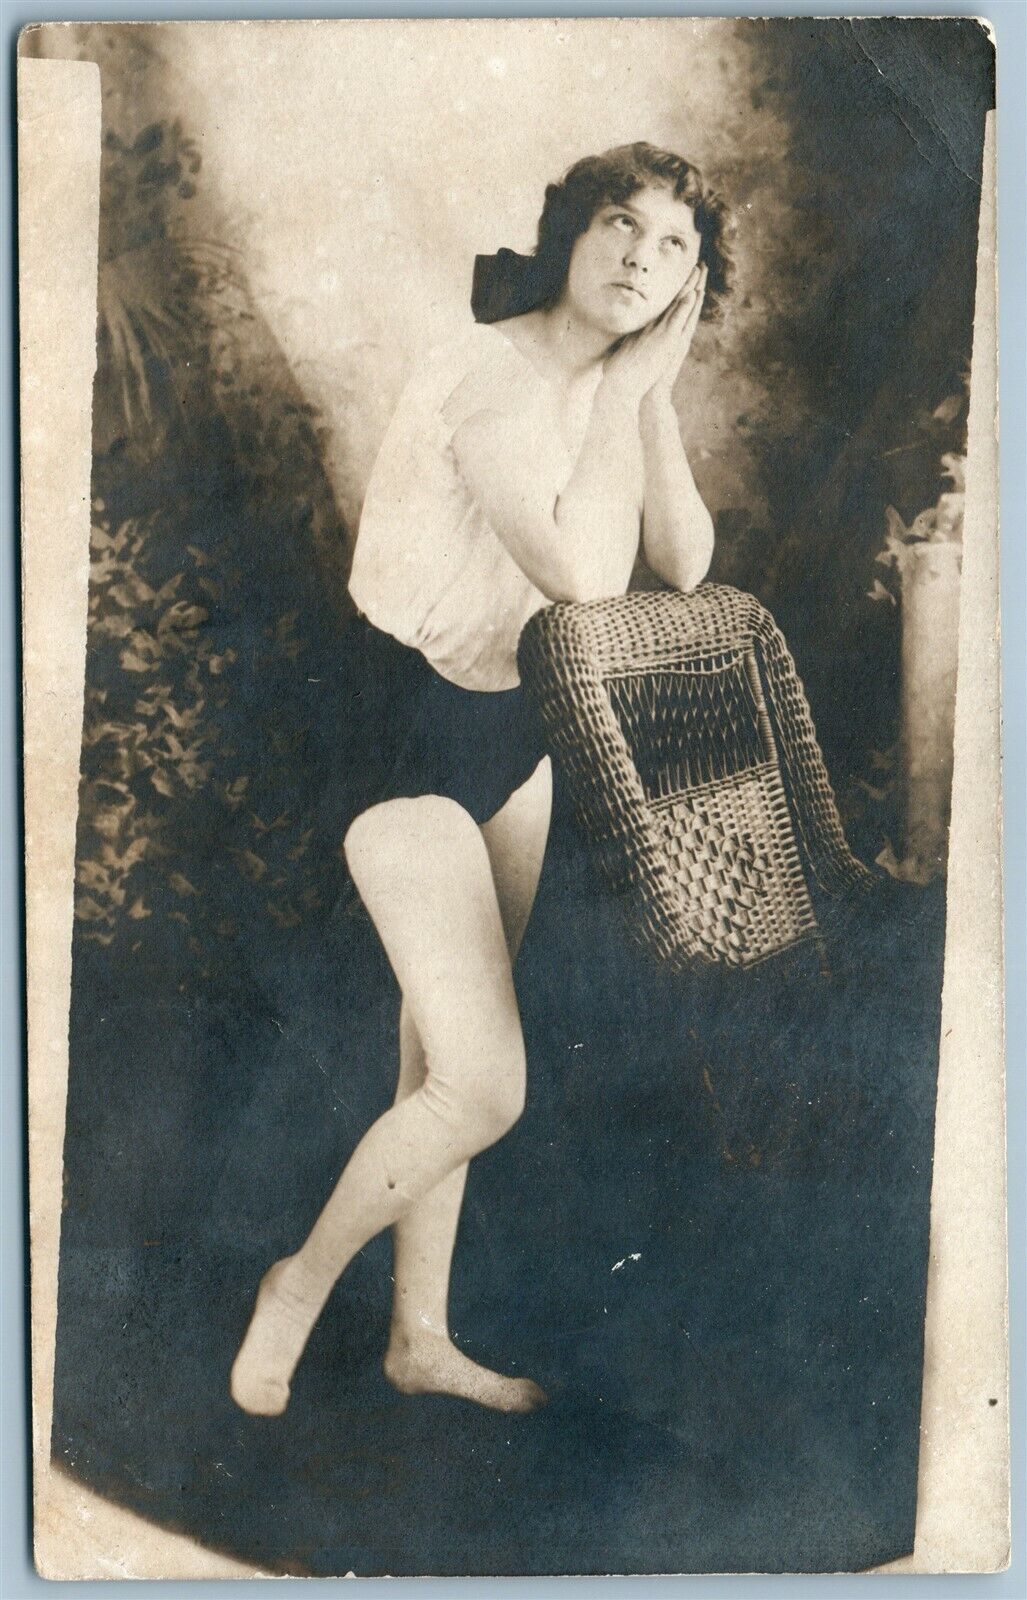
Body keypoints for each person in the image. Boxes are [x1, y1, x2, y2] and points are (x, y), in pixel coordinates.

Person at [230, 141, 732, 1417]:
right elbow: (578, 581)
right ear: (571, 233)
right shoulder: (482, 372)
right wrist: (624, 404)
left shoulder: (616, 387)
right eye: (621, 225)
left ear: (691, 279)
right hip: (395, 726)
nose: (640, 258)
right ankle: (297, 1280)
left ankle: (418, 1340)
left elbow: (680, 563)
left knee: (432, 1070)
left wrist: (651, 396)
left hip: (516, 737)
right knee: (482, 1083)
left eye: (674, 245)